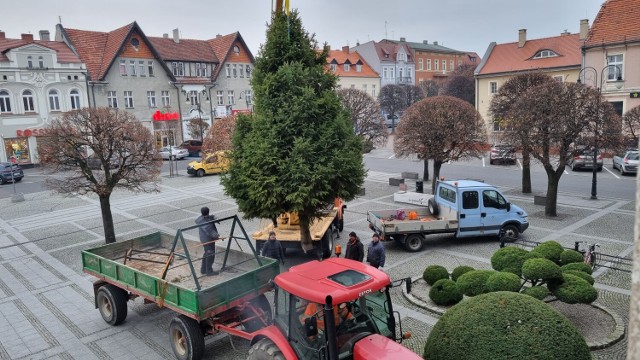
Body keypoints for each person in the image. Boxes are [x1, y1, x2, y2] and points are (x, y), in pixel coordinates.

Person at [195, 206, 219, 275]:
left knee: (206, 253)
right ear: (208, 212)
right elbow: (209, 229)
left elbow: (212, 216)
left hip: (206, 239)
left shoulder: (202, 218)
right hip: (207, 240)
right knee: (210, 254)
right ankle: (209, 271)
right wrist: (216, 236)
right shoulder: (202, 221)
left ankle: (203, 270)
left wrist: (215, 218)